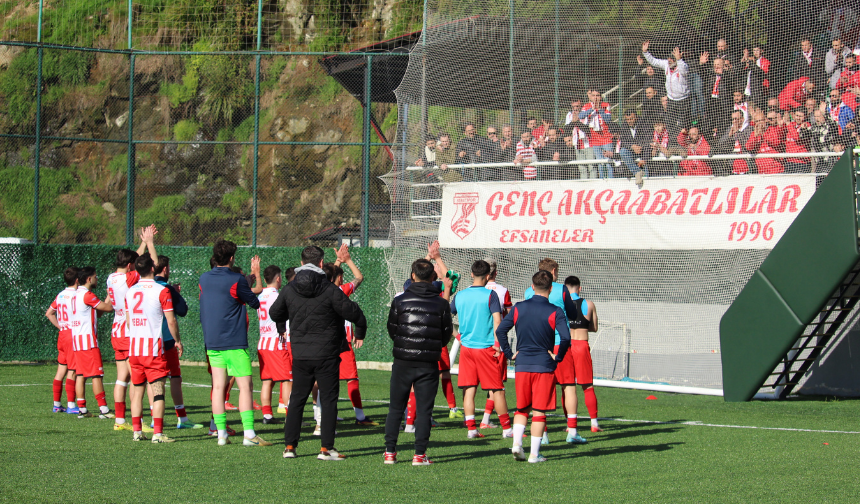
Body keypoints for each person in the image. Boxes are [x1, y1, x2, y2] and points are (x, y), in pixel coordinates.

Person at [270, 245, 367, 460]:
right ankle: (326, 448)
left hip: (301, 353)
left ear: (302, 263)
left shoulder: (289, 288)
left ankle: (289, 447)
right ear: (322, 263)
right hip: (327, 354)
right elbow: (355, 313)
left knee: (297, 399)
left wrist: (283, 324)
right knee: (329, 400)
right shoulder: (330, 289)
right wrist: (359, 333)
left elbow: (274, 312)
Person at [198, 240, 270, 447]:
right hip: (234, 341)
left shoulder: (204, 278)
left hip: (212, 341)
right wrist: (252, 277)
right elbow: (255, 302)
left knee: (218, 387)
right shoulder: (237, 279)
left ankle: (221, 434)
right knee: (245, 386)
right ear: (231, 258)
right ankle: (249, 434)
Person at [496, 270, 571, 463]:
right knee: (539, 410)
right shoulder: (555, 311)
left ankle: (516, 445)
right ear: (551, 288)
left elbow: (501, 330)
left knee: (522, 408)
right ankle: (534, 454)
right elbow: (566, 338)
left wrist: (509, 352)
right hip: (543, 366)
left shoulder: (519, 307)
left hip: (522, 365)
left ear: (532, 287)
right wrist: (558, 356)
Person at [383, 258, 453, 466]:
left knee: (396, 408)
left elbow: (392, 329)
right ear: (432, 278)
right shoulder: (441, 303)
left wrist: (405, 345)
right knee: (424, 410)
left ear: (412, 276)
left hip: (403, 361)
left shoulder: (400, 300)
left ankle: (390, 453)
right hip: (428, 362)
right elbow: (446, 333)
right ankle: (419, 455)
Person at [450, 260, 511, 439]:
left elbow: (445, 317)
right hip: (485, 348)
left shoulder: (459, 295)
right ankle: (507, 429)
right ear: (487, 277)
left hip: (467, 349)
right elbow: (498, 321)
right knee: (496, 389)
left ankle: (471, 429)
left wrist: (458, 336)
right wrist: (498, 345)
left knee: (469, 389)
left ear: (471, 274)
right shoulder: (490, 295)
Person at [124, 254, 180, 443]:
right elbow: (171, 320)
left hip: (135, 349)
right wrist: (177, 340)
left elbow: (129, 321)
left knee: (137, 391)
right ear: (152, 268)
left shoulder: (130, 291)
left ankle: (137, 432)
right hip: (153, 349)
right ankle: (157, 433)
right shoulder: (161, 290)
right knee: (157, 391)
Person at [106, 225, 157, 431]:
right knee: (138, 379)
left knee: (121, 378)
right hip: (129, 332)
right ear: (130, 266)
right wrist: (149, 243)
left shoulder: (111, 277)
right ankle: (141, 422)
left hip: (116, 330)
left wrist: (144, 242)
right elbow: (149, 264)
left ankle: (119, 420)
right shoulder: (130, 278)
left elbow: (135, 259)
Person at [154, 256, 203, 429]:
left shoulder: (141, 287)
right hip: (166, 340)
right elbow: (182, 310)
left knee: (149, 380)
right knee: (174, 377)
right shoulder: (166, 288)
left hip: (146, 341)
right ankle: (182, 419)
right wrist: (176, 294)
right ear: (165, 269)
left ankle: (149, 419)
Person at [331, 243, 377, 426]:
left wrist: (337, 261)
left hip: (324, 341)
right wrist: (347, 260)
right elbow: (359, 277)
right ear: (341, 278)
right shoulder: (341, 291)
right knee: (351, 378)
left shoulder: (320, 291)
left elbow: (329, 276)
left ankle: (325, 415)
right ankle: (359, 417)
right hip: (342, 342)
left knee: (325, 379)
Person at [70, 266, 114, 419]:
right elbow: (108, 308)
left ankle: (82, 409)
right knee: (97, 375)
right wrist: (113, 296)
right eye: (95, 276)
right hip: (88, 342)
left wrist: (107, 297)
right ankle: (104, 410)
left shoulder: (75, 295)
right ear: (89, 279)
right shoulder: (87, 295)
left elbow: (98, 313)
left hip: (77, 341)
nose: (97, 278)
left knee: (81, 374)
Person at [561, 276, 601, 440]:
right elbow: (594, 327)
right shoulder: (589, 304)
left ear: (565, 288)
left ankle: (569, 423)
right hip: (581, 345)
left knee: (567, 385)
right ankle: (594, 423)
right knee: (587, 386)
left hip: (566, 345)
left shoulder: (561, 303)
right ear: (580, 288)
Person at [479, 258, 512, 430]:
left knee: (472, 385)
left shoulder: (476, 289)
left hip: (476, 342)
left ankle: (475, 421)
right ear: (496, 273)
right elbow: (508, 315)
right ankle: (489, 421)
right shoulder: (502, 291)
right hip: (495, 342)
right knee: (496, 383)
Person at [256, 264, 291, 425]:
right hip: (276, 342)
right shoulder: (278, 296)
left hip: (262, 342)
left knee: (267, 380)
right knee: (287, 379)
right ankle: (291, 416)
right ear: (278, 279)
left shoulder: (259, 295)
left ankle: (267, 415)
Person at [45, 267, 78, 413]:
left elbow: (49, 313)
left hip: (63, 334)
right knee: (73, 370)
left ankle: (57, 404)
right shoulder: (77, 295)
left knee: (61, 370)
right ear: (77, 279)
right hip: (72, 334)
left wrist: (60, 326)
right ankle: (71, 405)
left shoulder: (61, 295)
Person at [642, 40, 691, 137]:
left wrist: (679, 60)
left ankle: (683, 143)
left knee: (682, 125)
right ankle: (672, 142)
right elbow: (654, 61)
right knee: (670, 123)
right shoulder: (666, 64)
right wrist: (645, 52)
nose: (669, 63)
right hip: (671, 99)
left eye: (672, 60)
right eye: (668, 60)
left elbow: (684, 71)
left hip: (683, 100)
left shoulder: (683, 66)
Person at [579, 89, 614, 178]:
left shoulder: (605, 105)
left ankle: (611, 181)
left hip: (606, 138)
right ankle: (602, 182)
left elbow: (608, 119)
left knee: (608, 162)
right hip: (595, 139)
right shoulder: (587, 106)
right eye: (593, 95)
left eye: (597, 95)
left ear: (600, 97)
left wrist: (600, 110)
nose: (595, 98)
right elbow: (580, 116)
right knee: (600, 163)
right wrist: (592, 109)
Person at [609, 110, 647, 182]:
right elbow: (623, 141)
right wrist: (632, 146)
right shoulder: (624, 125)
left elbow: (647, 138)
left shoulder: (643, 124)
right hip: (632, 151)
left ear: (636, 117)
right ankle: (637, 172)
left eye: (631, 119)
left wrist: (639, 146)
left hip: (643, 150)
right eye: (627, 119)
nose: (629, 121)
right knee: (623, 151)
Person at [564, 100, 596, 179]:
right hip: (577, 144)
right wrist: (573, 122)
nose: (575, 109)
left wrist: (577, 122)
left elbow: (587, 129)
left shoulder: (586, 113)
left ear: (581, 105)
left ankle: (593, 185)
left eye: (577, 106)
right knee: (582, 168)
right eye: (573, 107)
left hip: (588, 143)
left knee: (591, 167)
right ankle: (584, 185)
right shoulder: (569, 115)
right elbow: (567, 129)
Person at [716, 110, 752, 175]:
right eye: (733, 119)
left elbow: (747, 144)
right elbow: (720, 145)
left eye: (736, 119)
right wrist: (728, 136)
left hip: (746, 164)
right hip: (732, 164)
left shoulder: (749, 129)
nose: (734, 121)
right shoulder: (730, 130)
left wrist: (737, 132)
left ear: (742, 119)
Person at [784, 109, 815, 173]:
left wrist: (788, 123)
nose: (798, 118)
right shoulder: (791, 124)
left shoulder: (806, 125)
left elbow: (797, 137)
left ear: (805, 117)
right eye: (797, 115)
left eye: (800, 116)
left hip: (802, 163)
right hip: (789, 161)